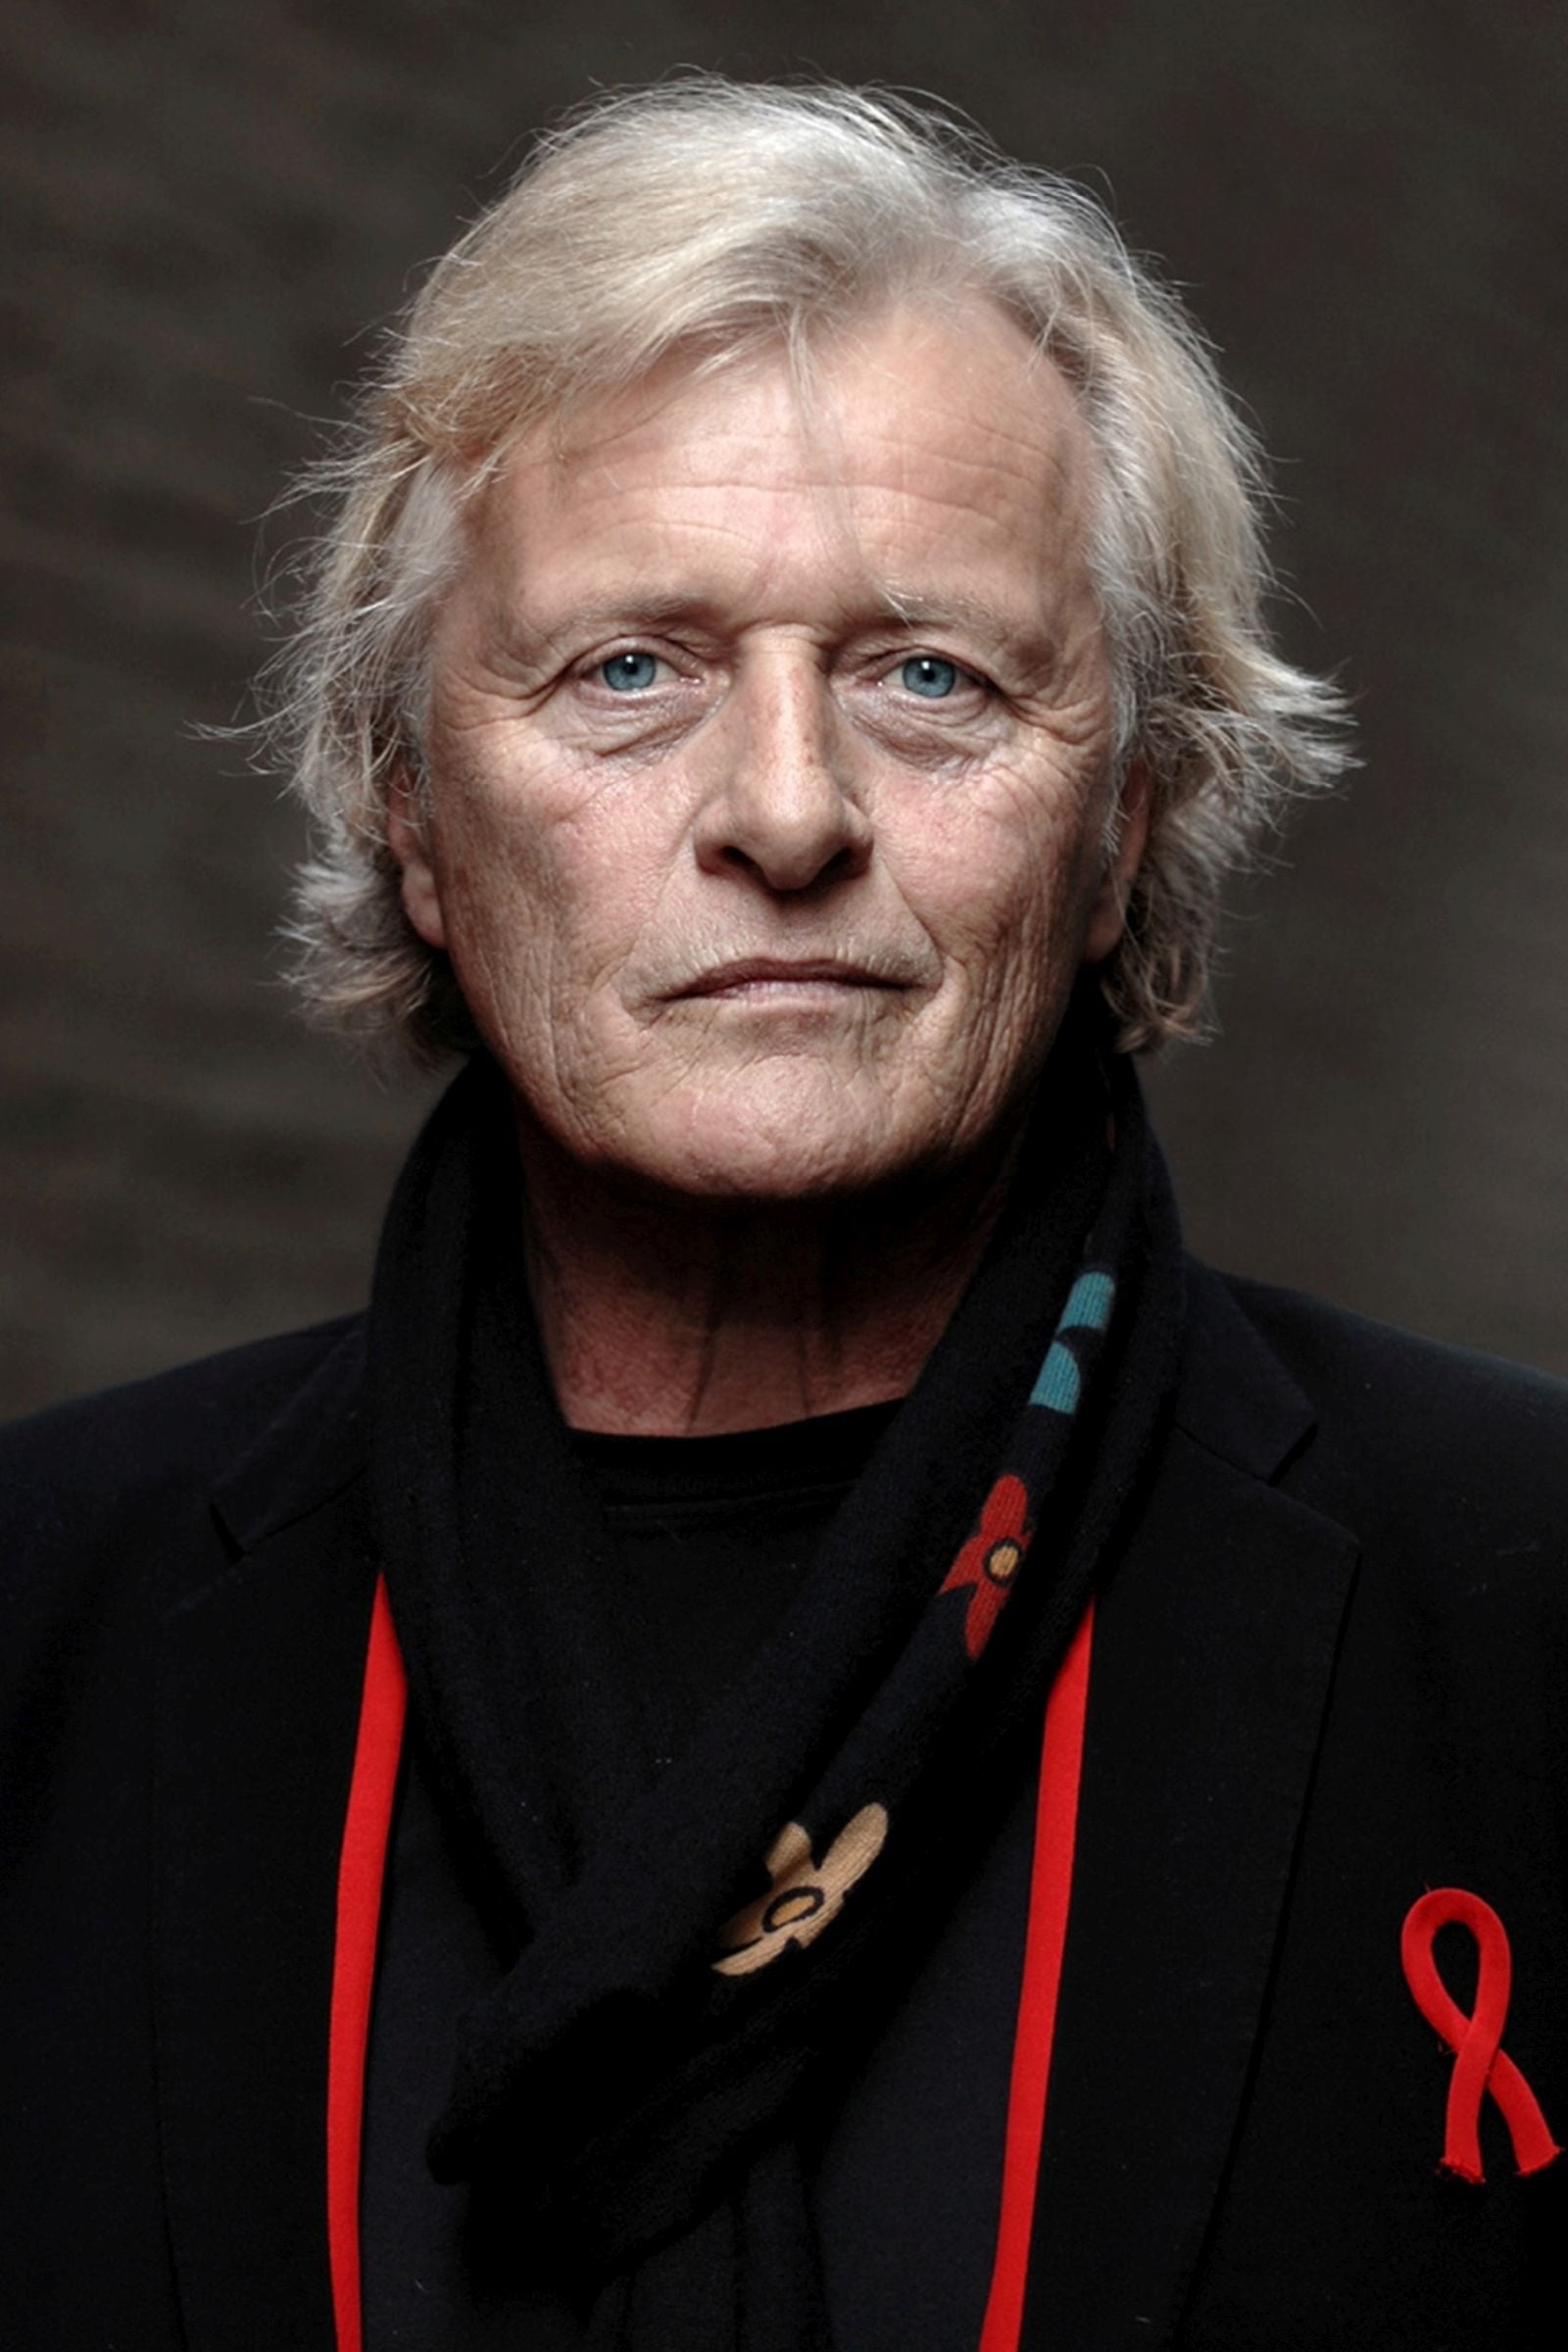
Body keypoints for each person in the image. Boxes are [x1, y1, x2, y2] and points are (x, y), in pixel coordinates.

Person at [2, 77, 1564, 2352]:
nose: (785, 808)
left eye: (929, 675)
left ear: (1124, 819)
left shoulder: (1512, 1608)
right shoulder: (45, 1622)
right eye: (625, 669)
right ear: (407, 806)